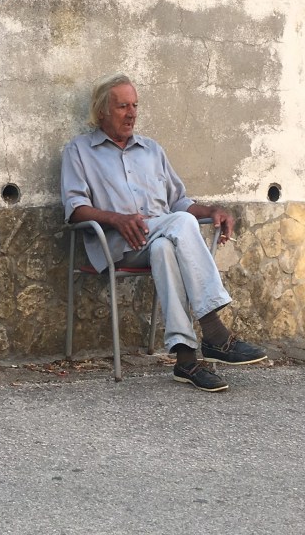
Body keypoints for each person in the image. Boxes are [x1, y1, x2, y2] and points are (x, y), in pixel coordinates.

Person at [61, 73, 266, 392]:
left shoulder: (152, 150)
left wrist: (212, 211)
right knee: (180, 224)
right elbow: (75, 208)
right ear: (102, 112)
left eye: (135, 106)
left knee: (165, 248)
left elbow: (179, 202)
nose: (131, 113)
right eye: (122, 107)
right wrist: (116, 218)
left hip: (160, 238)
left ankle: (186, 360)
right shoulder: (79, 151)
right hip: (120, 244)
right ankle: (214, 332)